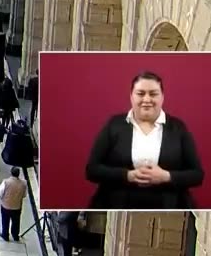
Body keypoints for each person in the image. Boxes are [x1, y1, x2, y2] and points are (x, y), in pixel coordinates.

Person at [84, 71, 204, 210]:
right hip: (116, 205)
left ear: (162, 97)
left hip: (168, 207)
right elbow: (92, 170)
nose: (147, 99)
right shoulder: (114, 125)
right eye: (140, 94)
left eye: (153, 94)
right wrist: (127, 175)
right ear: (131, 96)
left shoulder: (178, 128)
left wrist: (166, 176)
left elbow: (197, 175)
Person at [0, 167, 29, 242]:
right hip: (17, 206)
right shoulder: (24, 183)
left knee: (5, 220)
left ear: (11, 172)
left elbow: (0, 193)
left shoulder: (6, 182)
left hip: (6, 206)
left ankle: (5, 235)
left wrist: (2, 200)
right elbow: (24, 195)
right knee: (16, 221)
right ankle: (15, 235)